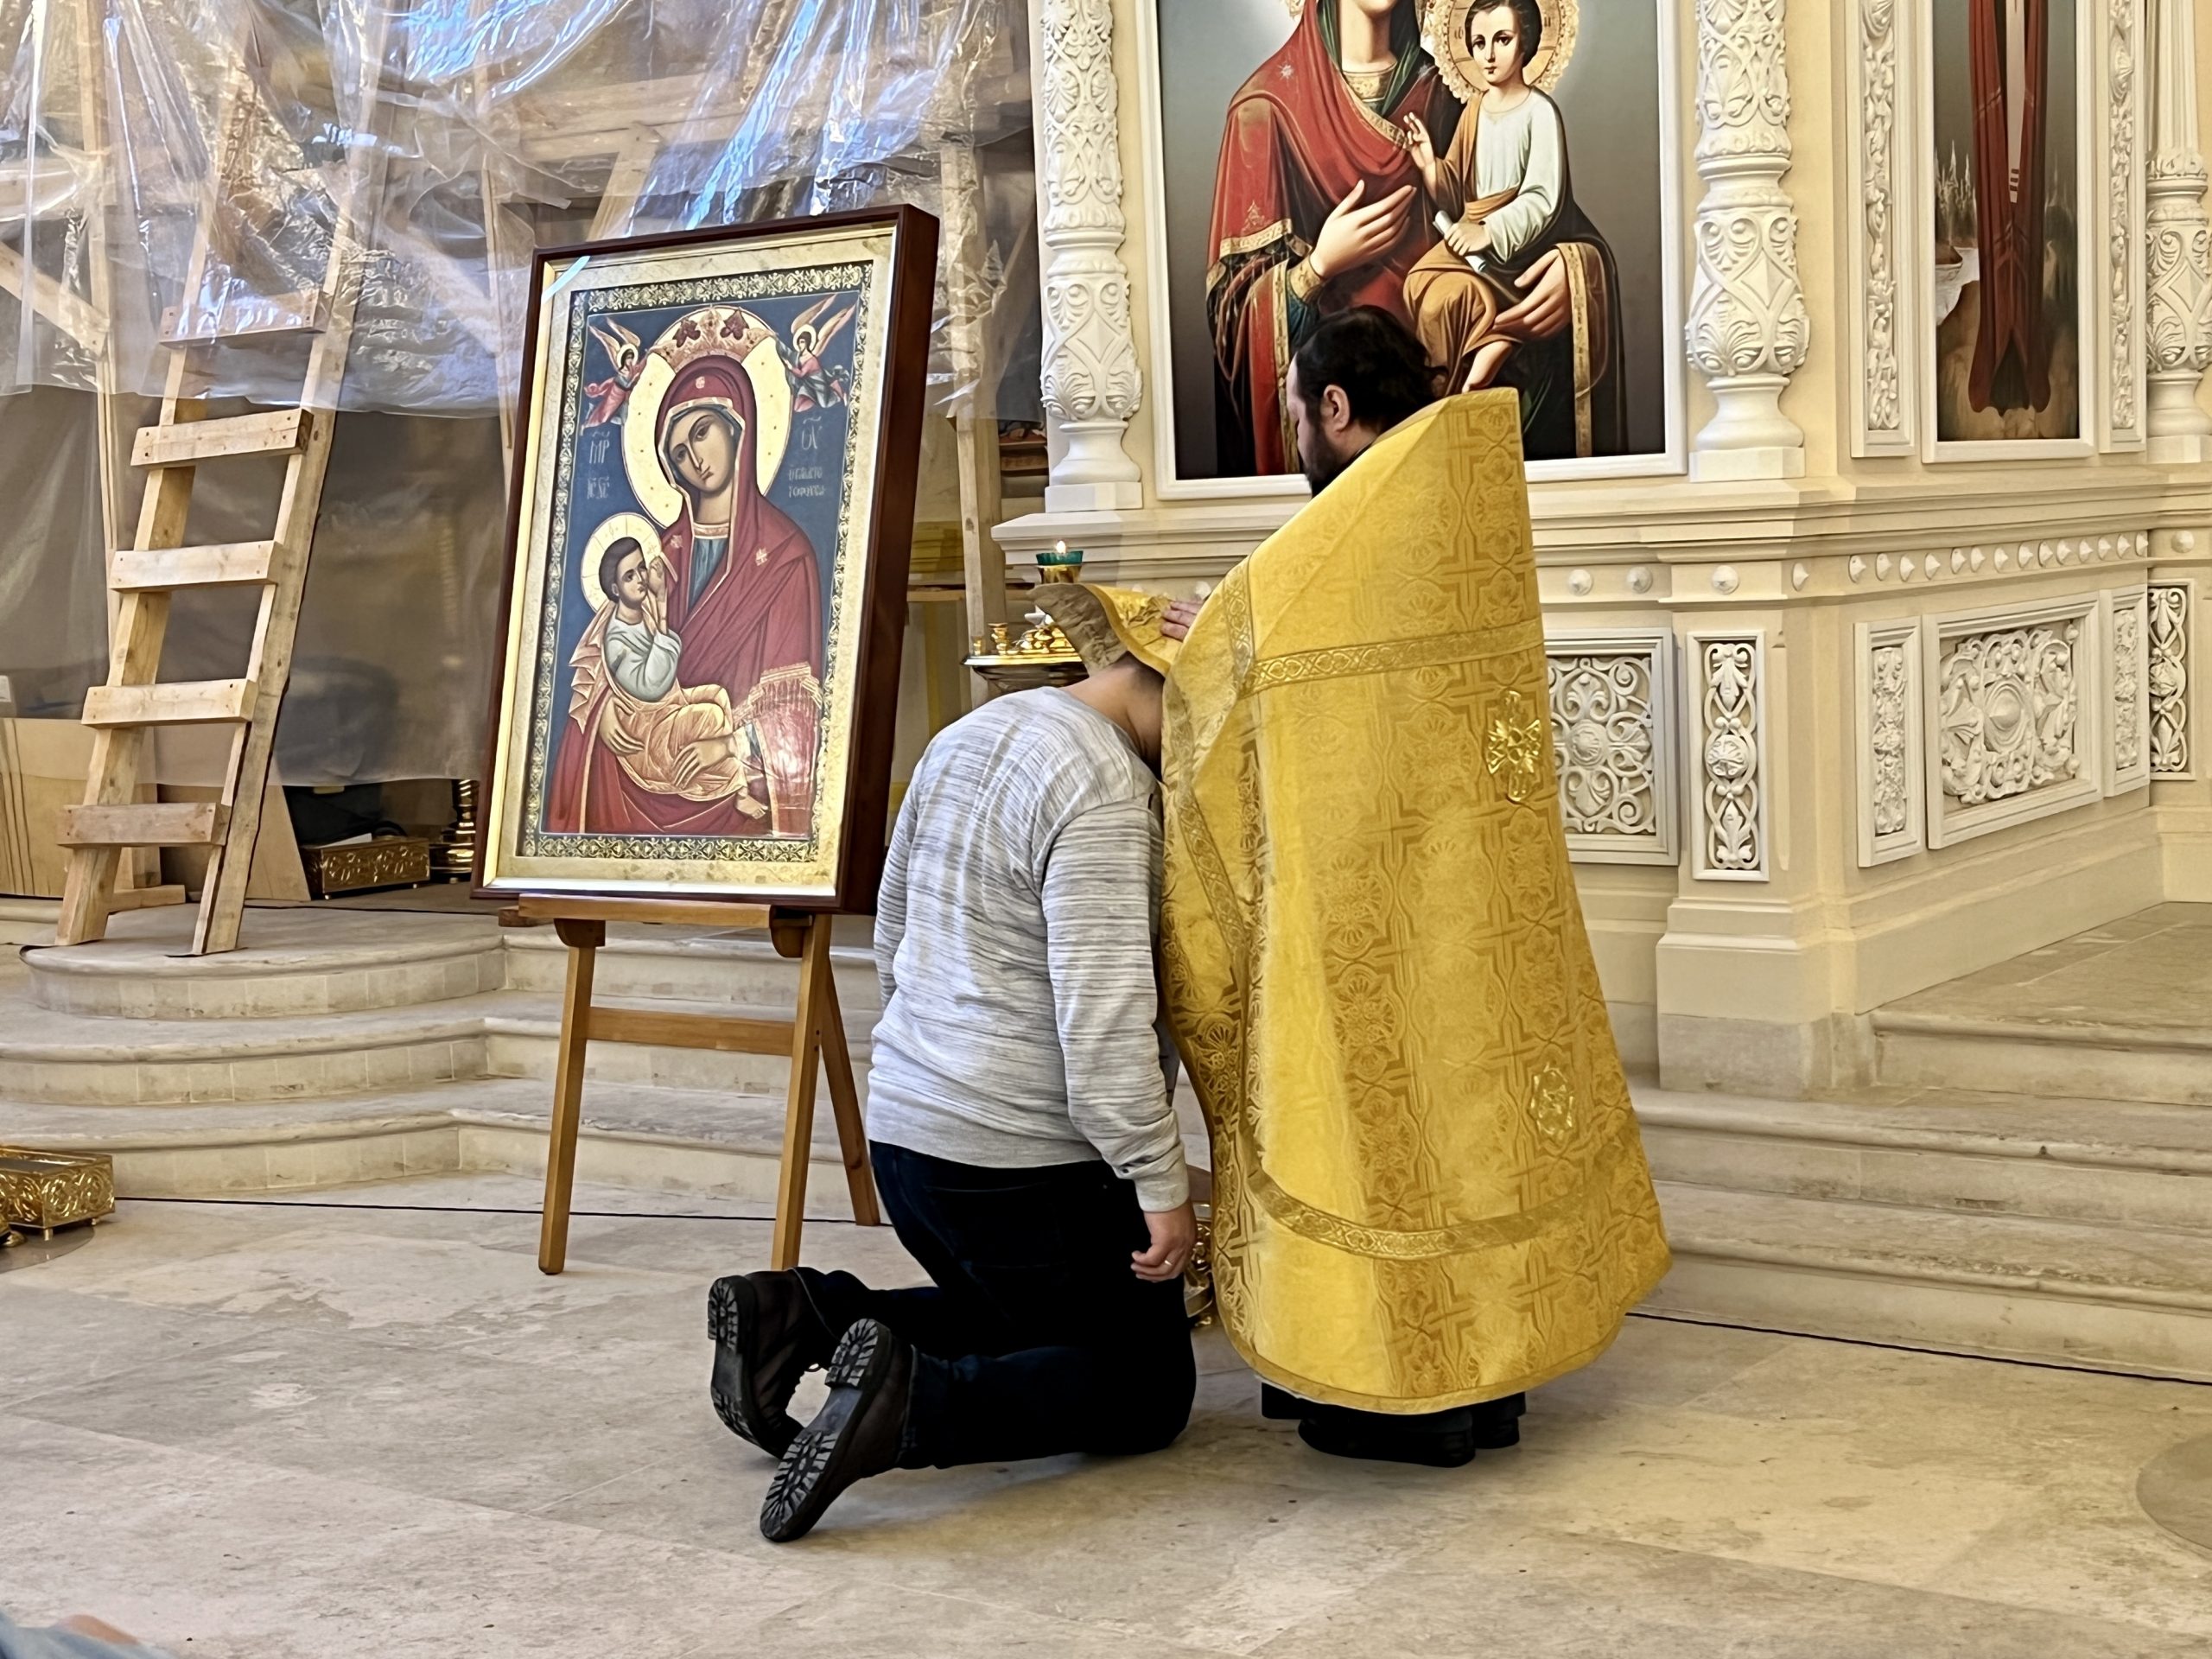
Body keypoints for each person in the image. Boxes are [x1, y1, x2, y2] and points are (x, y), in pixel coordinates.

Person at [1160, 307, 1669, 1466]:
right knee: (1474, 1136)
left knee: (1379, 1135)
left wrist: (1204, 651)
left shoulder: (1348, 530)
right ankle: (1494, 1384)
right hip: (1474, 895)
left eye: (1297, 411)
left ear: (1336, 407)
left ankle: (1403, 1396)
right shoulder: (1454, 498)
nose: (1297, 434)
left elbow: (1251, 683)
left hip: (1368, 912)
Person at [707, 584, 1198, 1542]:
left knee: (1020, 1321)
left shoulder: (971, 732)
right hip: (1019, 1164)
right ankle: (911, 1410)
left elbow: (892, 938)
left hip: (910, 1135)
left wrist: (934, 1060)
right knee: (1143, 1388)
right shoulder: (1106, 791)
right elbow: (1103, 1015)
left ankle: (800, 1317)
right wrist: (1158, 1181)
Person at [547, 311, 823, 836]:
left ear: (738, 429)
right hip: (639, 764)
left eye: (702, 432)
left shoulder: (786, 556)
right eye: (679, 452)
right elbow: (603, 648)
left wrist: (729, 745)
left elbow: (795, 703)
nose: (695, 457)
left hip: (728, 772)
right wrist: (602, 714)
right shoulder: (654, 555)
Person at [1402, 0, 1624, 458]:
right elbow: (1455, 191)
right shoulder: (1474, 111)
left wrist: (1490, 231)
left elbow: (1543, 199)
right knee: (1421, 285)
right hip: (1471, 241)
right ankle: (1450, 404)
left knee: (1462, 300)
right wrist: (1430, 167)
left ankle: (1489, 355)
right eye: (1478, 42)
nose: (1488, 54)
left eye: (1501, 40)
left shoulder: (1540, 112)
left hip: (1517, 252)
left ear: (1526, 43)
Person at [559, 536, 765, 811]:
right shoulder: (617, 641)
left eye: (641, 568)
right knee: (712, 716)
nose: (641, 579)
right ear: (615, 589)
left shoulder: (641, 610)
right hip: (646, 737)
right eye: (629, 576)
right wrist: (663, 609)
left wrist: (659, 599)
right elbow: (653, 685)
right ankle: (722, 786)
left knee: (719, 695)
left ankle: (738, 789)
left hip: (666, 710)